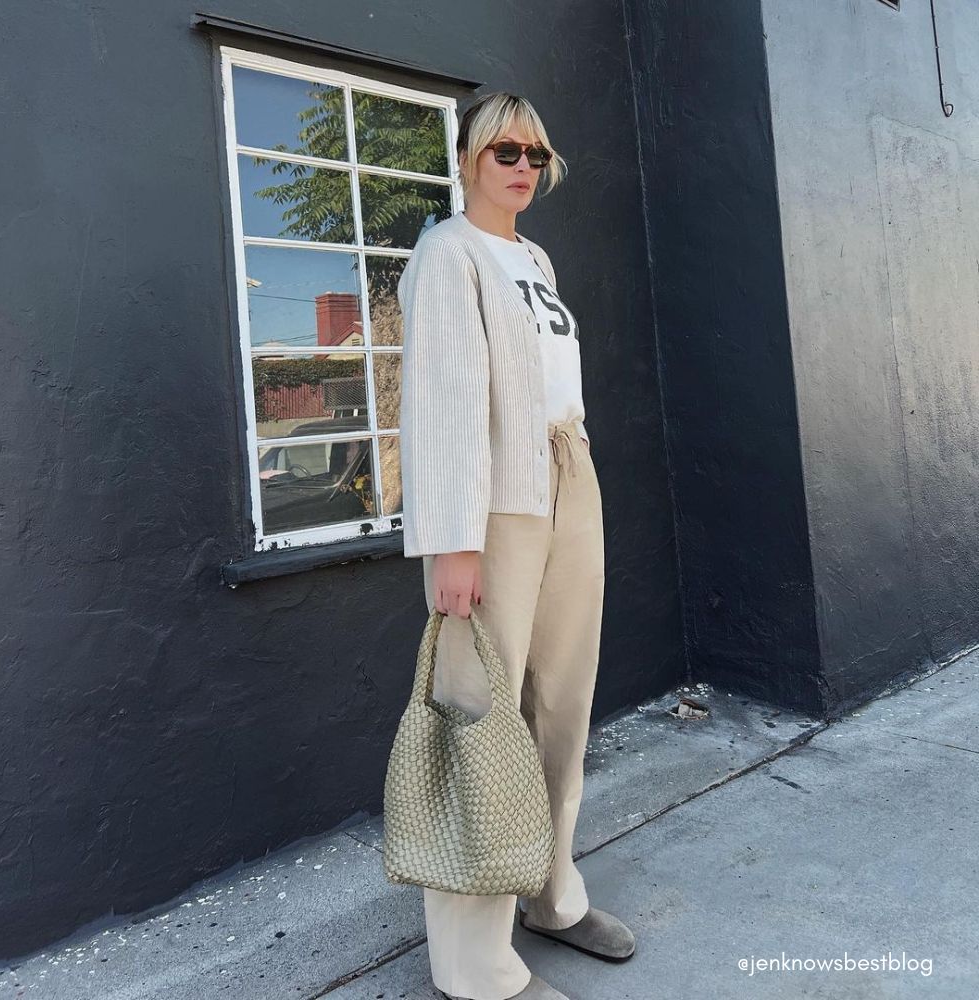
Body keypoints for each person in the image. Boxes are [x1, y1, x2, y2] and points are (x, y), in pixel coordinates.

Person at [396, 91, 635, 1000]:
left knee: (564, 698)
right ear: (465, 160)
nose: (523, 165)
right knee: (479, 708)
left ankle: (548, 890)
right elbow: (444, 403)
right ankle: (474, 963)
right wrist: (452, 542)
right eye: (504, 150)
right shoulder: (447, 253)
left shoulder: (533, 256)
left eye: (535, 151)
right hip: (492, 501)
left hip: (568, 474)